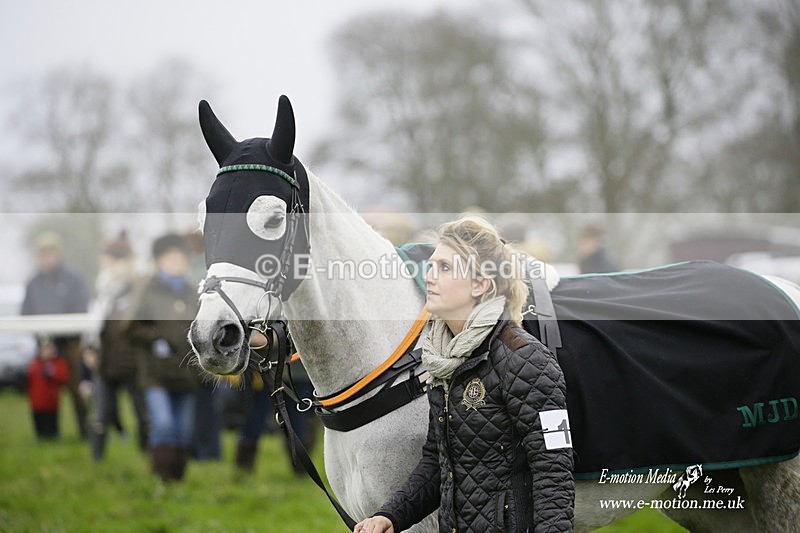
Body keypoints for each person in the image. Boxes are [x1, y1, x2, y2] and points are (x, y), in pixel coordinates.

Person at [354, 215, 574, 533]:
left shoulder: (525, 359)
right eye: (431, 266)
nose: (429, 276)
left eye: (444, 267)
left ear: (480, 284)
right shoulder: (442, 357)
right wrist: (390, 515)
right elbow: (437, 464)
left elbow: (554, 468)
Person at [127, 234, 200, 482]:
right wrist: (156, 337)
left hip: (186, 373)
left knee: (183, 430)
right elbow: (129, 327)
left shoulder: (193, 292)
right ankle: (162, 478)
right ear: (159, 261)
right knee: (164, 424)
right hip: (155, 373)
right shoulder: (147, 291)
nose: (176, 262)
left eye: (180, 258)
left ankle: (177, 480)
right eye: (170, 258)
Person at [85, 232, 150, 460]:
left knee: (143, 414)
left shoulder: (139, 288)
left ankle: (147, 457)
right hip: (106, 363)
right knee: (101, 414)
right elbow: (95, 326)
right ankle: (96, 461)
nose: (104, 263)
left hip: (134, 362)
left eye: (108, 259)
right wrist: (90, 350)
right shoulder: (103, 290)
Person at [22, 231, 91, 439]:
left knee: (78, 389)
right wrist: (42, 343)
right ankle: (47, 433)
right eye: (42, 253)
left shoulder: (74, 279)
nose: (46, 257)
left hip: (71, 344)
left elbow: (80, 309)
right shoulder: (33, 282)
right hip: (43, 347)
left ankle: (86, 431)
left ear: (58, 253)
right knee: (43, 393)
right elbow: (26, 312)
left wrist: (60, 340)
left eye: (50, 253)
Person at [27, 338, 70, 440]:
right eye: (44, 349)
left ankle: (53, 435)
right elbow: (28, 379)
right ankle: (40, 436)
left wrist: (53, 374)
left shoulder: (58, 363)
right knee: (39, 421)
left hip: (52, 402)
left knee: (51, 422)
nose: (46, 352)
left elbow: (63, 377)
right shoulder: (34, 364)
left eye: (49, 349)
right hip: (37, 402)